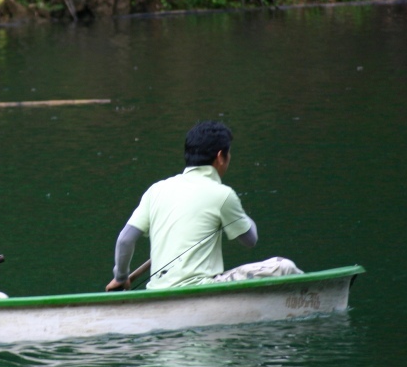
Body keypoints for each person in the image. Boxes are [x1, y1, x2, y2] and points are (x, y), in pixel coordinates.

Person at [106, 121, 302, 292]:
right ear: (220, 156)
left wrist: (121, 277)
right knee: (283, 267)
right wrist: (238, 212)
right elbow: (250, 240)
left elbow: (124, 240)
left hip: (156, 290)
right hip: (202, 287)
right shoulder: (223, 195)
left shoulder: (156, 190)